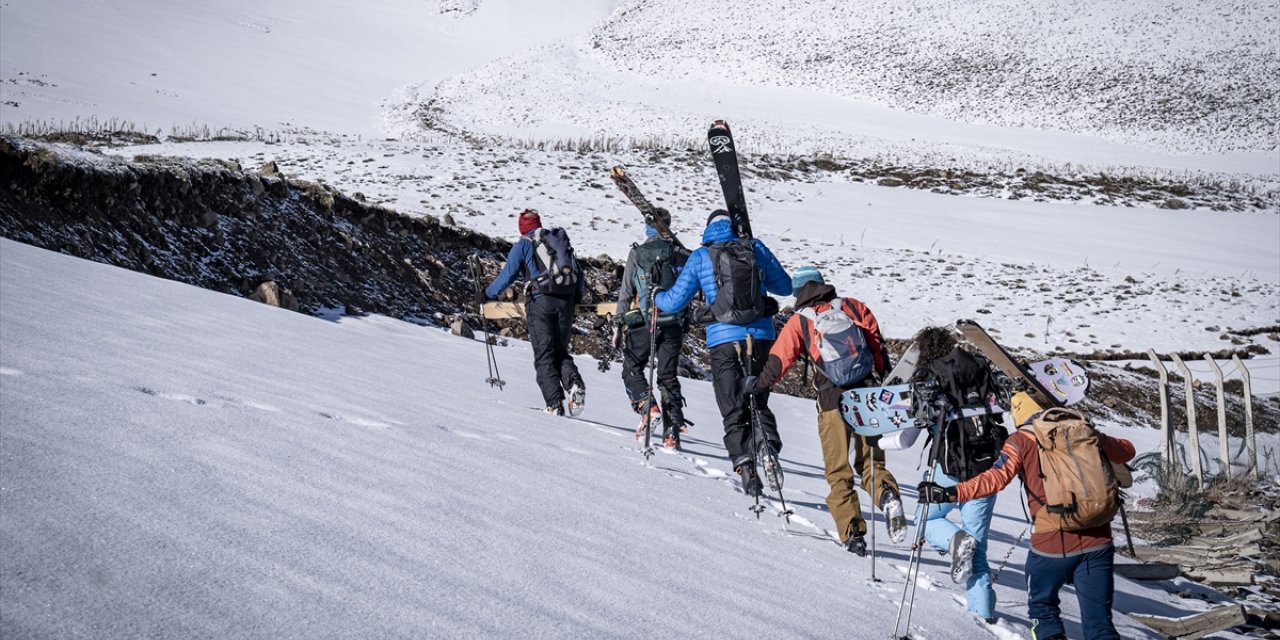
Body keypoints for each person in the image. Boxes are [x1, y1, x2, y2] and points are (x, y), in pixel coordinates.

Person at [917, 393, 1136, 640]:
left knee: (1043, 613)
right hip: (1099, 539)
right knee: (1100, 626)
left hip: (1052, 544)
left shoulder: (1021, 440)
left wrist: (952, 493)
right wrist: (1096, 436)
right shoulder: (1082, 430)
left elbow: (995, 478)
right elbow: (1127, 451)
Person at [747, 266, 906, 556]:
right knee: (872, 465)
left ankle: (853, 535)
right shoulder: (853, 306)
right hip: (868, 397)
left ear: (798, 291)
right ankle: (887, 496)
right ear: (822, 285)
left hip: (833, 401)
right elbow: (878, 348)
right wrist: (881, 380)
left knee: (838, 471)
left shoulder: (801, 320)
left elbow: (779, 360)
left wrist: (759, 389)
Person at [654, 210, 791, 495]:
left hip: (723, 341)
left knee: (732, 408)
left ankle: (746, 468)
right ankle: (767, 448)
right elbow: (786, 287)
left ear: (707, 230)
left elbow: (674, 301)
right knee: (758, 402)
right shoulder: (755, 248)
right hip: (762, 337)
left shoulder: (701, 256)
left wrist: (655, 295)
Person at [911, 326, 1000, 622]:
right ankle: (983, 614)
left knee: (925, 517)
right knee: (980, 549)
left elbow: (924, 413)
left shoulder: (928, 373)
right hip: (986, 465)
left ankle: (954, 540)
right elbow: (999, 402)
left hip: (950, 464)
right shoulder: (979, 364)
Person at [477, 208, 586, 416]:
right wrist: (575, 298)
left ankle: (554, 405)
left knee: (544, 355)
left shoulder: (524, 245)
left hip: (539, 303)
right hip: (566, 302)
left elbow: (508, 274)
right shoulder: (557, 244)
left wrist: (487, 293)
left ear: (522, 227)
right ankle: (574, 383)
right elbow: (577, 272)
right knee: (560, 352)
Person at [613, 208, 691, 449]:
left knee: (632, 366)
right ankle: (672, 432)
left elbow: (626, 292)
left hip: (646, 321)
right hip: (674, 323)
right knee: (667, 376)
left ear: (647, 227)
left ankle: (648, 407)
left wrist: (617, 324)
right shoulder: (681, 253)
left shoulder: (638, 253)